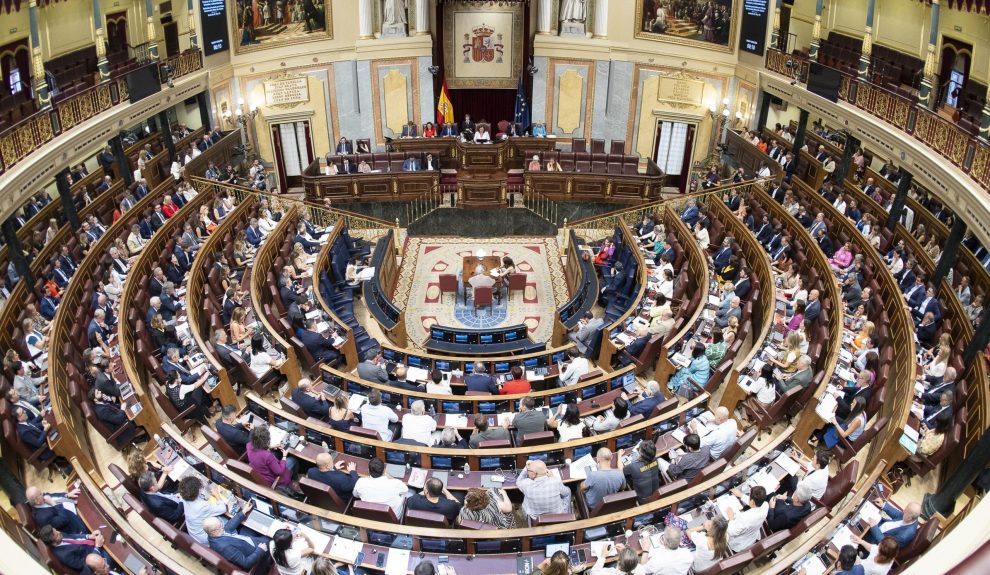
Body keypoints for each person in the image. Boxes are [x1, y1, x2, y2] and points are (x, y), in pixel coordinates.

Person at [203, 508, 272, 573]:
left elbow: (228, 527)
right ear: (213, 531)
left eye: (221, 523)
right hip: (253, 549)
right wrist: (260, 550)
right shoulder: (225, 548)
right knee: (269, 538)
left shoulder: (214, 535)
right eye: (220, 526)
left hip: (242, 541)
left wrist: (242, 512)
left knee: (248, 525)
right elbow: (246, 563)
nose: (222, 526)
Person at [179, 475, 231, 544]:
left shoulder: (184, 497)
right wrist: (217, 495)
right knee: (229, 521)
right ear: (196, 490)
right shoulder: (202, 506)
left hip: (194, 533)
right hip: (206, 538)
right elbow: (223, 508)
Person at [246, 424, 297, 490]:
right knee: (293, 460)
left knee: (276, 454)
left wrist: (270, 447)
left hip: (261, 471)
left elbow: (259, 452)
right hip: (273, 479)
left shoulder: (248, 445)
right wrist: (284, 456)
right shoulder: (267, 456)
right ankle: (292, 481)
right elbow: (279, 471)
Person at [38, 526, 106, 572]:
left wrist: (89, 536)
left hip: (94, 543)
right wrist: (97, 547)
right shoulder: (64, 556)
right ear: (53, 543)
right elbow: (87, 565)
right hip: (99, 557)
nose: (59, 532)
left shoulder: (60, 536)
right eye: (57, 535)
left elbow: (73, 536)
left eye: (56, 530)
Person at [725, 485, 769, 552]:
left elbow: (731, 532)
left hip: (740, 544)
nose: (749, 497)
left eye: (749, 496)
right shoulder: (765, 505)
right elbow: (754, 504)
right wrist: (741, 495)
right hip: (752, 536)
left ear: (752, 501)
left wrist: (731, 517)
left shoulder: (745, 518)